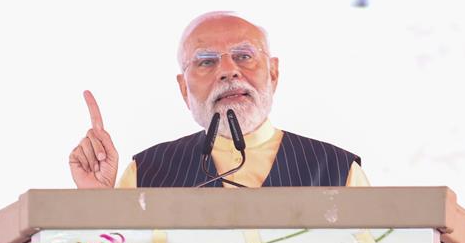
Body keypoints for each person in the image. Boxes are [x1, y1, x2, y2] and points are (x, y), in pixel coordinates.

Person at [69, 12, 367, 189]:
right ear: (183, 89)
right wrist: (99, 206)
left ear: (273, 73)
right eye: (206, 62)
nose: (228, 72)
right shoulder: (146, 173)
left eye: (244, 56)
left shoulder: (338, 171)